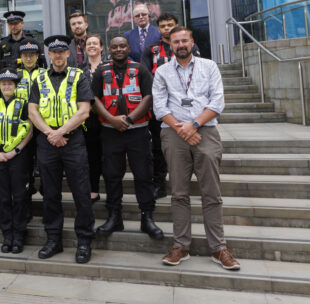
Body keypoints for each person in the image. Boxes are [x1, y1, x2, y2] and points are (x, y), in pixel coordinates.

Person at [152, 26, 241, 270]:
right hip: (173, 134)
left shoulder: (209, 66)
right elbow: (160, 107)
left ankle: (219, 248)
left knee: (211, 192)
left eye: (184, 40)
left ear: (192, 42)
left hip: (206, 132)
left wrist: (193, 125)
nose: (180, 45)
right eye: (175, 41)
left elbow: (217, 101)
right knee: (179, 193)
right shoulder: (161, 72)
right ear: (169, 45)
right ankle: (180, 245)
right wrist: (182, 129)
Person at [28, 35, 95, 264]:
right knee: (50, 193)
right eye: (53, 52)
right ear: (49, 55)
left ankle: (84, 241)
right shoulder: (39, 78)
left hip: (73, 140)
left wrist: (61, 132)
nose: (57, 55)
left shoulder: (78, 76)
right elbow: (32, 111)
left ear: (68, 54)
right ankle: (53, 239)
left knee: (81, 193)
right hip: (47, 142)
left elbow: (84, 111)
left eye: (61, 52)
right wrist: (50, 133)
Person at [91, 37, 164, 240]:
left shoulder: (140, 69)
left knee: (143, 175)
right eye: (114, 46)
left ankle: (147, 218)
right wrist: (112, 119)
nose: (118, 49)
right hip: (110, 132)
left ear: (129, 48)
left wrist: (130, 119)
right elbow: (94, 98)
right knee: (112, 176)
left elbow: (149, 97)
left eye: (122, 46)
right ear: (109, 49)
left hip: (138, 132)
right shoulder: (101, 71)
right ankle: (115, 217)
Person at [142, 13, 200, 199]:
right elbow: (146, 77)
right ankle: (159, 184)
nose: (166, 28)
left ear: (176, 25)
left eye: (170, 25)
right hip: (161, 108)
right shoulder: (150, 50)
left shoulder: (189, 47)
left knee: (194, 148)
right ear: (158, 29)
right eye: (163, 26)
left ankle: (196, 184)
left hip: (189, 108)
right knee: (159, 149)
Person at [0, 69, 32, 254]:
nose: (6, 86)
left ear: (15, 86)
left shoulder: (23, 104)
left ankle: (19, 235)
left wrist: (16, 151)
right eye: (3, 83)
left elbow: (29, 130)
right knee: (3, 197)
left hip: (17, 157)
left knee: (19, 197)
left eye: (10, 84)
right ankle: (7, 235)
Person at [16, 40, 44, 217]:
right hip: (22, 126)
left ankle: (46, 205)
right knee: (24, 168)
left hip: (42, 126)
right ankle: (25, 207)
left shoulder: (45, 74)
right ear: (20, 57)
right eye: (25, 55)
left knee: (44, 166)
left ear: (37, 57)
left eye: (32, 55)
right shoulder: (15, 75)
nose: (28, 58)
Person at [81, 34, 104, 203]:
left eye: (95, 43)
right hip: (88, 119)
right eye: (89, 44)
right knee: (92, 156)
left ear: (102, 47)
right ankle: (93, 190)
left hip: (109, 117)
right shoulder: (79, 69)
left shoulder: (109, 66)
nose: (92, 46)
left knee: (110, 157)